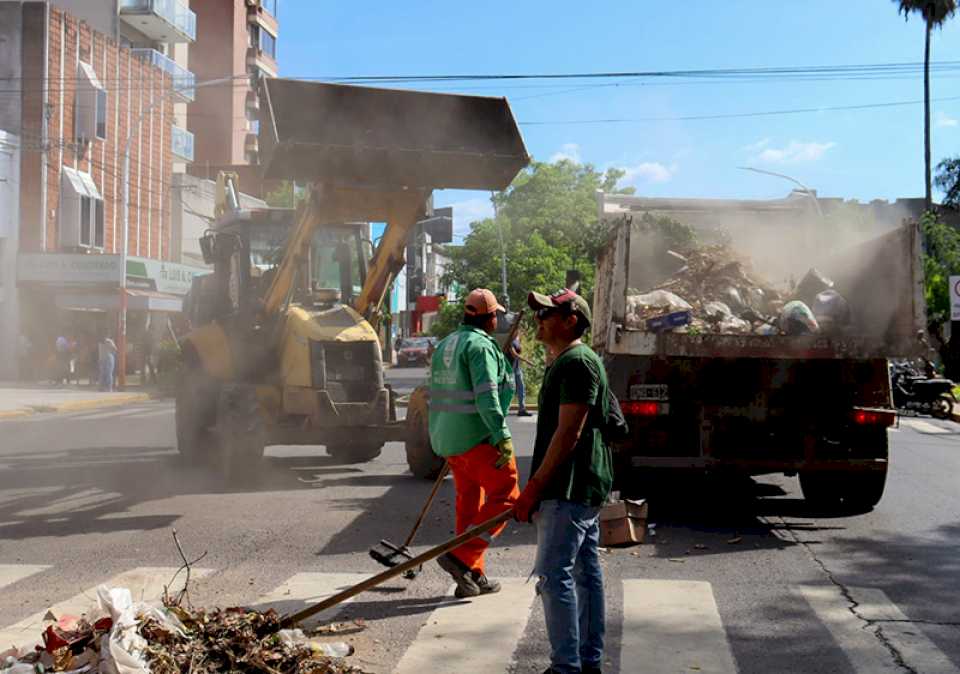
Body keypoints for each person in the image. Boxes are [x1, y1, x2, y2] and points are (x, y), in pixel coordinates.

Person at [514, 288, 613, 674]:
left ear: (571, 320)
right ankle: (587, 662)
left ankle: (566, 667)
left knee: (554, 576)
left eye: (546, 314)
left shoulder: (577, 362)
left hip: (569, 486)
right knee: (585, 575)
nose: (539, 320)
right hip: (580, 483)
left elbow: (568, 432)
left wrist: (534, 488)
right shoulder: (570, 360)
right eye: (538, 314)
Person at [428, 288, 519, 598]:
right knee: (507, 497)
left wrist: (504, 361)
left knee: (469, 505)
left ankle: (470, 575)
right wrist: (502, 436)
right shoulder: (480, 348)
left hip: (450, 441)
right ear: (489, 318)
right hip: (478, 439)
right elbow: (488, 398)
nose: (498, 321)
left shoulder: (446, 344)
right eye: (497, 315)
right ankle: (461, 558)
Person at [507, 336, 531, 416]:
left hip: (517, 368)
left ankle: (522, 409)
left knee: (521, 388)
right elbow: (514, 355)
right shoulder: (509, 341)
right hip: (510, 368)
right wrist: (526, 360)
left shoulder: (517, 339)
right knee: (510, 389)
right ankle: (504, 408)